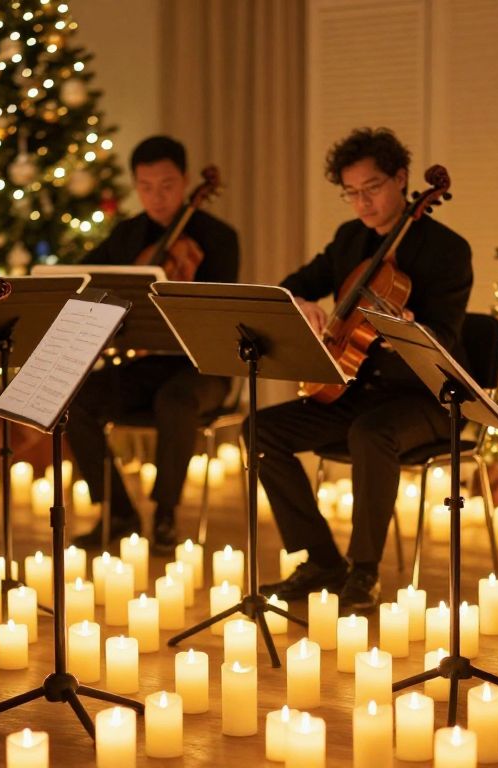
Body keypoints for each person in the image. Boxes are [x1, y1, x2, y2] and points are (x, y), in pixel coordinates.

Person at [255, 127, 473, 613]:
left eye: (371, 188)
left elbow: (447, 338)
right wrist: (301, 303)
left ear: (401, 179)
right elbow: (290, 285)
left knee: (370, 434)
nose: (362, 203)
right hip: (352, 390)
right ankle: (321, 561)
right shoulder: (348, 240)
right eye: (351, 192)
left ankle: (364, 571)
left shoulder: (447, 250)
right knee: (259, 431)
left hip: (425, 397)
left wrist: (406, 330)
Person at [69, 135, 240, 553]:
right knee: (73, 401)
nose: (156, 197)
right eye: (145, 187)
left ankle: (165, 514)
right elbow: (82, 278)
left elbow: (219, 312)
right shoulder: (128, 236)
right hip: (145, 365)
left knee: (175, 401)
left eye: (166, 185)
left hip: (203, 368)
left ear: (186, 180)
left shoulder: (218, 237)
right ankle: (118, 512)